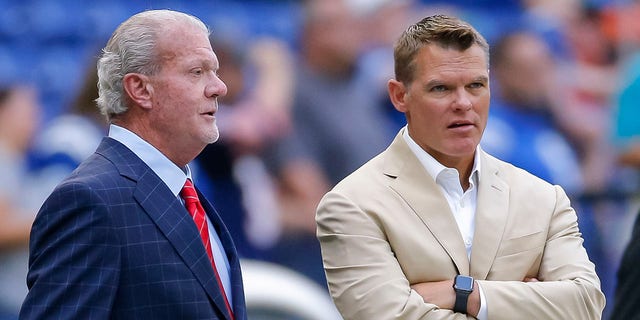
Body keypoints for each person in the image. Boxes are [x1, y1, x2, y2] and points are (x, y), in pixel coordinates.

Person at [316, 14, 605, 319]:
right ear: (400, 96)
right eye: (441, 88)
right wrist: (528, 301)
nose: (464, 103)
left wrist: (465, 294)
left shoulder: (544, 198)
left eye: (476, 85)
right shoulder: (352, 204)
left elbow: (585, 304)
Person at [20, 9, 246, 320]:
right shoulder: (89, 201)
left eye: (215, 71)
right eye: (197, 71)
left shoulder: (187, 193)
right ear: (140, 89)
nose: (219, 87)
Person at [0, 84, 42, 320]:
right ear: (3, 112)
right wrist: (54, 217)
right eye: (27, 110)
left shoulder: (14, 161)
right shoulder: (2, 159)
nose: (36, 118)